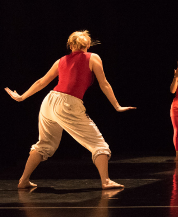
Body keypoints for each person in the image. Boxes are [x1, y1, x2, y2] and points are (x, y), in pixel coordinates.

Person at [5, 30, 135, 189]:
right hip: (68, 103)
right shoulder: (93, 58)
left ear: (71, 45)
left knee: (44, 144)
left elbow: (42, 82)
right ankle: (106, 181)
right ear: (87, 45)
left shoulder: (60, 61)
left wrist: (22, 97)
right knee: (98, 144)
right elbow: (104, 83)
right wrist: (117, 106)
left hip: (49, 101)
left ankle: (23, 180)